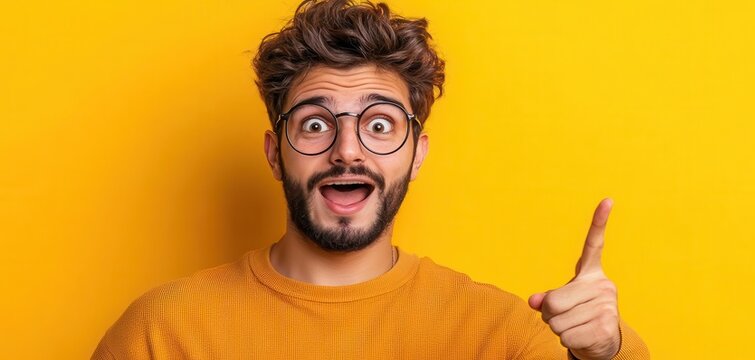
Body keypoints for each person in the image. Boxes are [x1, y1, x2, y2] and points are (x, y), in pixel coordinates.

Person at [91, 1, 650, 359]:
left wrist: (610, 352)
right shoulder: (164, 332)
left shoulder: (499, 335)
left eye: (380, 124)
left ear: (416, 154)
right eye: (315, 124)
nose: (347, 150)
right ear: (274, 153)